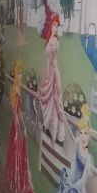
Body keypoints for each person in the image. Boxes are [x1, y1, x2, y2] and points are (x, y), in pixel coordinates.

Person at [4, 60, 34, 193]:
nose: (21, 76)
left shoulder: (17, 88)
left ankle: (15, 182)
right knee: (16, 154)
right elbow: (17, 112)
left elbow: (18, 111)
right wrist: (21, 126)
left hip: (16, 126)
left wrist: (22, 124)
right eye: (20, 73)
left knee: (16, 154)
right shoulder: (17, 90)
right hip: (16, 127)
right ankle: (16, 183)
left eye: (21, 73)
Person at [38, 12, 66, 144]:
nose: (55, 28)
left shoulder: (55, 41)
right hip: (50, 73)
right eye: (54, 25)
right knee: (50, 102)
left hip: (54, 73)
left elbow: (53, 62)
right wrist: (46, 77)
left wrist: (51, 78)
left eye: (57, 25)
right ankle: (50, 128)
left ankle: (58, 134)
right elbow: (48, 61)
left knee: (56, 100)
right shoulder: (50, 40)